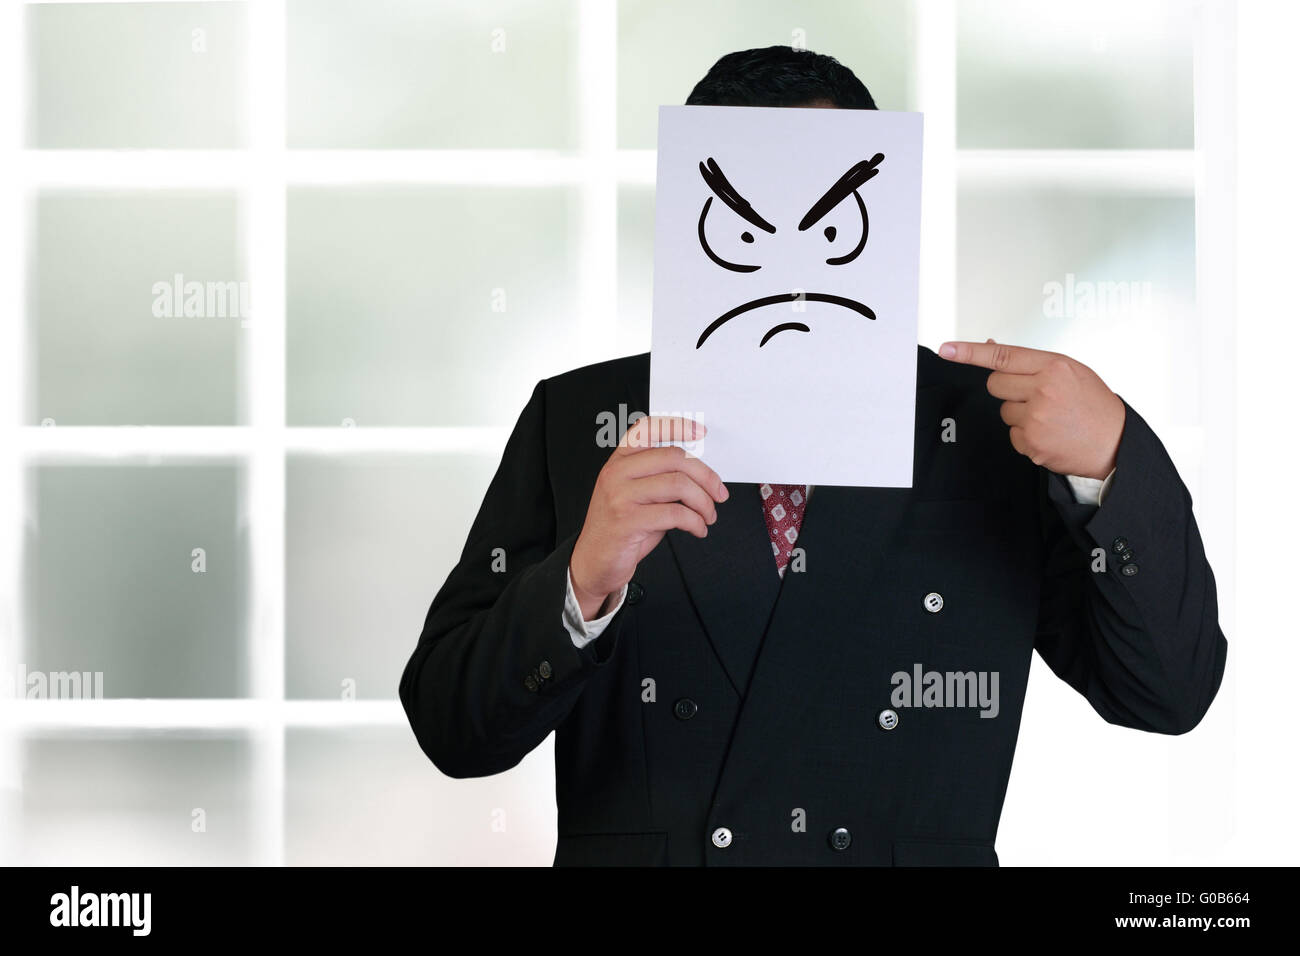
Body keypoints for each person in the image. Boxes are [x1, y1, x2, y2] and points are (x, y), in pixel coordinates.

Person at [399, 46, 1227, 866]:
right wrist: (580, 582)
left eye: (826, 218)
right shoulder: (583, 420)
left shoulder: (991, 430)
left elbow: (1166, 694)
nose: (787, 261)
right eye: (746, 219)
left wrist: (1113, 458)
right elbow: (451, 729)